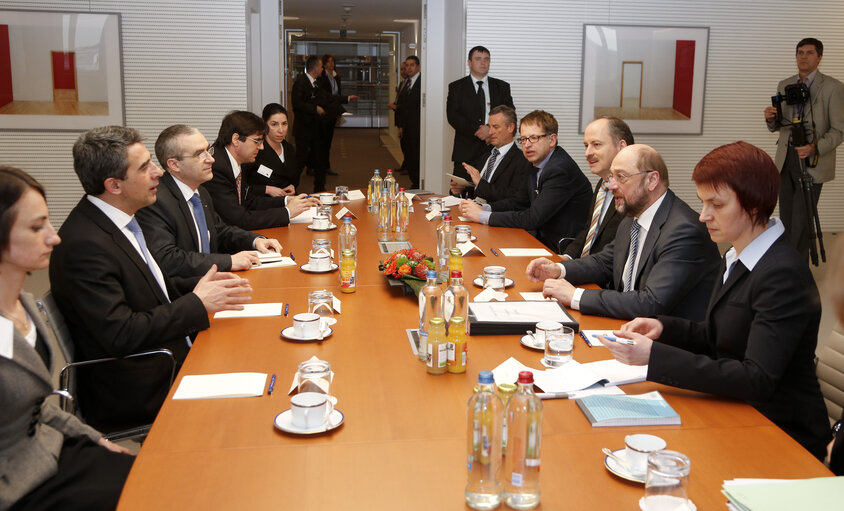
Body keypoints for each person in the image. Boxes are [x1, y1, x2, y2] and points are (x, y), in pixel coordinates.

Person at [603, 141, 830, 460]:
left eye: (716, 205)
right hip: (737, 411)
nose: (703, 216)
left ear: (753, 205)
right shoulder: (737, 256)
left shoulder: (781, 274)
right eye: (703, 203)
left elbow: (757, 379)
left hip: (780, 434)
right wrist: (662, 328)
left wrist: (656, 357)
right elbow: (716, 336)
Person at [49, 126, 253, 432]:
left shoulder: (121, 220)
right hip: (138, 384)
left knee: (253, 348)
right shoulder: (85, 245)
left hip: (165, 352)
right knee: (256, 391)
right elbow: (121, 333)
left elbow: (153, 288)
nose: (158, 173)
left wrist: (210, 288)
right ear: (114, 185)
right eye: (145, 167)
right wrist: (197, 303)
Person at [0, 166, 133, 511]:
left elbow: (40, 405)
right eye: (35, 227)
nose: (54, 237)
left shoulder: (25, 304)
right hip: (17, 486)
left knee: (156, 480)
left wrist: (94, 438)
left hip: (54, 449)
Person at [526, 144, 720, 320]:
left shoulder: (684, 231)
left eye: (621, 177)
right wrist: (559, 269)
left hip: (668, 344)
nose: (612, 186)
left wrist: (575, 296)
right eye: (612, 177)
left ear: (652, 180)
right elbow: (605, 262)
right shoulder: (632, 216)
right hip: (627, 328)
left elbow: (650, 303)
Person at [135, 124, 283, 278]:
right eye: (200, 154)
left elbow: (218, 231)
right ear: (174, 164)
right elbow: (168, 259)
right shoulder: (155, 201)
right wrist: (228, 261)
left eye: (208, 150)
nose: (211, 159)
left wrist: (254, 240)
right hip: (186, 292)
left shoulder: (200, 191)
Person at [459, 109, 592, 253]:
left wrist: (482, 216)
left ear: (552, 140)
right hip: (538, 239)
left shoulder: (560, 169)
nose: (527, 145)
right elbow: (518, 202)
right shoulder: (533, 163)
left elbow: (533, 217)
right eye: (523, 139)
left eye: (534, 138)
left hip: (562, 249)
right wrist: (483, 208)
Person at [763, 38, 844, 257]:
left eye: (809, 53)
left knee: (802, 220)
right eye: (800, 52)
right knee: (787, 218)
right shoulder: (784, 84)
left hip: (812, 160)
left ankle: (795, 269)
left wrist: (814, 148)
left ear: (819, 57)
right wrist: (771, 119)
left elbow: (839, 130)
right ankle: (791, 268)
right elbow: (779, 126)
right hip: (786, 158)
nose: (803, 57)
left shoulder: (833, 88)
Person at [204, 111, 319, 230]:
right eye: (257, 141)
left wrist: (287, 200)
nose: (261, 147)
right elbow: (239, 220)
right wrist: (288, 212)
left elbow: (248, 201)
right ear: (236, 139)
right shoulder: (216, 168)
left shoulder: (236, 159)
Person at [561, 116, 631, 260]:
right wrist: (565, 258)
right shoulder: (603, 184)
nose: (587, 153)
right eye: (586, 146)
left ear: (621, 146)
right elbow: (590, 230)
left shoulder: (634, 191)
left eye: (596, 144)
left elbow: (617, 253)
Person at [447, 45, 514, 177]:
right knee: (459, 193)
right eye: (478, 59)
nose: (483, 62)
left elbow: (510, 114)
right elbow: (453, 116)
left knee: (491, 193)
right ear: (469, 63)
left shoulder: (502, 87)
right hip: (465, 151)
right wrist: (478, 130)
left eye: (486, 59)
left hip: (496, 149)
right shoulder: (456, 87)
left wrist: (489, 129)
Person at [449, 105, 531, 203]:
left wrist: (480, 184)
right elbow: (474, 192)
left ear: (510, 127)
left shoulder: (522, 160)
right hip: (471, 212)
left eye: (495, 127)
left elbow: (513, 198)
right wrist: (459, 191)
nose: (490, 132)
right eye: (489, 127)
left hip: (494, 216)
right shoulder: (485, 156)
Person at [292, 55, 339, 192]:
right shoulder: (301, 82)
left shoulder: (316, 83)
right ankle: (289, 189)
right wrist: (315, 108)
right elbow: (297, 104)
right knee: (301, 161)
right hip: (303, 130)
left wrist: (346, 99)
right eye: (321, 66)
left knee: (320, 159)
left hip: (316, 129)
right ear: (315, 68)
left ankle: (320, 189)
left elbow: (327, 97)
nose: (322, 68)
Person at [316, 54, 359, 176]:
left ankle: (325, 166)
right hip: (323, 113)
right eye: (328, 62)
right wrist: (348, 98)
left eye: (332, 61)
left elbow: (337, 95)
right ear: (323, 64)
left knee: (327, 142)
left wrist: (339, 115)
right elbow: (327, 96)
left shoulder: (336, 77)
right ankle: (319, 167)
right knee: (321, 142)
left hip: (332, 112)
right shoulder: (321, 77)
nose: (331, 64)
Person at [247, 103, 300, 195]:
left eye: (284, 124)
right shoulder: (256, 149)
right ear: (264, 125)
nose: (281, 130)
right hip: (262, 203)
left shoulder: (289, 148)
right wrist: (266, 189)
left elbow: (294, 177)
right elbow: (243, 187)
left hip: (289, 201)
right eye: (274, 124)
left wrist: (292, 186)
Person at [396, 55, 421, 189]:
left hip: (417, 128)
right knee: (409, 155)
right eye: (407, 65)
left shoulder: (423, 83)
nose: (409, 68)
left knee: (416, 156)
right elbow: (402, 106)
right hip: (406, 128)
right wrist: (401, 126)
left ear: (418, 67)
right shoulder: (407, 83)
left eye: (412, 65)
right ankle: (414, 181)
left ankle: (417, 182)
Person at [388, 61, 409, 174]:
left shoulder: (409, 85)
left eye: (404, 69)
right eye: (401, 69)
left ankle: (407, 166)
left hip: (406, 120)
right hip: (400, 118)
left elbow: (407, 105)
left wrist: (396, 106)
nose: (403, 71)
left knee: (407, 145)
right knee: (403, 144)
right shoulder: (402, 83)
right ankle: (405, 164)